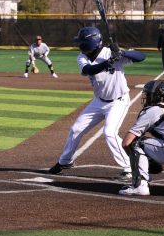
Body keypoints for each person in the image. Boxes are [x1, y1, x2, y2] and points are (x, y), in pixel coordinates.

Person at [48, 27, 146, 181]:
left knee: (109, 133)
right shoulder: (82, 57)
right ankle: (65, 162)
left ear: (91, 43)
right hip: (99, 101)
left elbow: (141, 56)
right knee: (76, 129)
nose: (80, 46)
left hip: (118, 101)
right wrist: (108, 63)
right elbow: (89, 70)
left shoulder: (111, 52)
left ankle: (129, 168)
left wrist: (122, 53)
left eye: (82, 43)